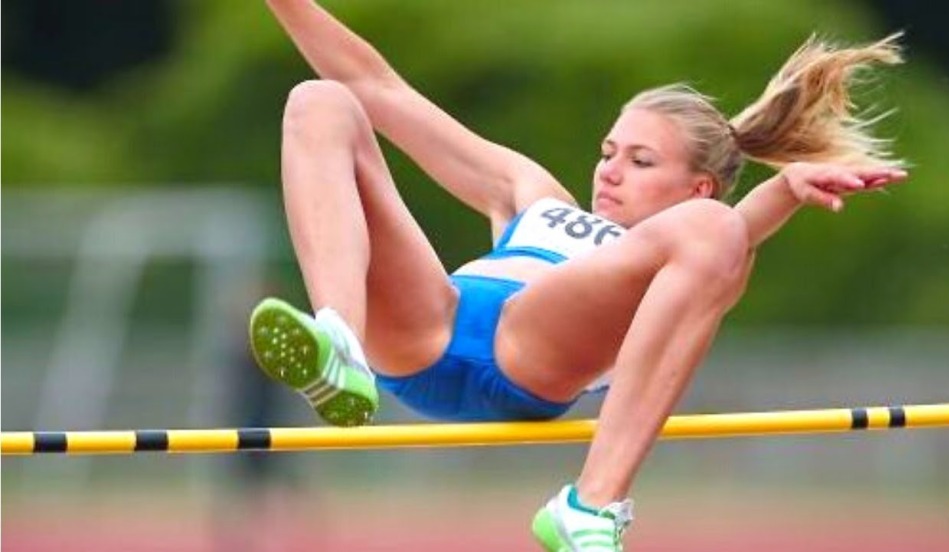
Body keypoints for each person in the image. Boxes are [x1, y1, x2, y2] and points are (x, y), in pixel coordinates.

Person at [248, 1, 906, 549]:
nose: (610, 171)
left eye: (641, 161)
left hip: (529, 350)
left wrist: (787, 188)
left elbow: (725, 234)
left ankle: (589, 504)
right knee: (321, 102)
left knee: (716, 236)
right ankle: (338, 342)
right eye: (608, 151)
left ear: (697, 186)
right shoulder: (535, 194)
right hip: (426, 323)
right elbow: (380, 88)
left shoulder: (687, 240)